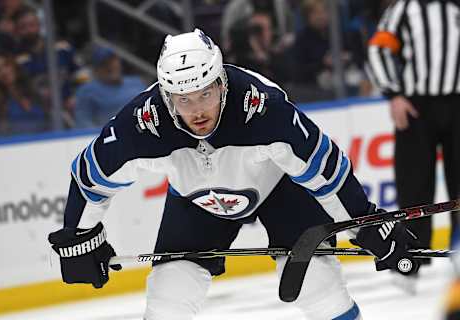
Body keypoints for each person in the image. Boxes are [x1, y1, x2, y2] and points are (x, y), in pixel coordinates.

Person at [48, 29, 420, 320]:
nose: (196, 111)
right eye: (183, 99)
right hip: (195, 198)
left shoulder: (263, 109)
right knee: (168, 298)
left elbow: (325, 169)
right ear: (166, 96)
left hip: (280, 187)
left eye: (206, 94)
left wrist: (367, 223)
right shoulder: (142, 123)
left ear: (222, 83)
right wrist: (80, 238)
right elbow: (90, 176)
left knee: (316, 285)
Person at [367, 0, 460, 264]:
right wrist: (393, 94)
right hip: (417, 106)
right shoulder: (405, 10)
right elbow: (378, 49)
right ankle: (416, 254)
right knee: (414, 182)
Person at [74, 46, 146, 128]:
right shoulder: (87, 91)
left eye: (113, 62)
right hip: (112, 136)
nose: (110, 67)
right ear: (96, 69)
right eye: (105, 64)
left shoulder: (136, 82)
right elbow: (83, 122)